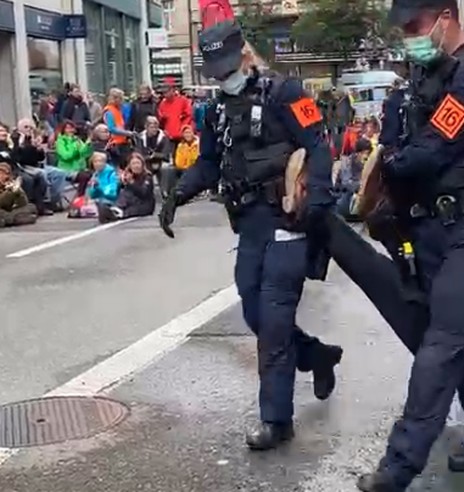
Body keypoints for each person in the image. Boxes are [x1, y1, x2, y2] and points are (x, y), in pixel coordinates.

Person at [158, 19, 343, 452]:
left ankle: (276, 420)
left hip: (288, 220)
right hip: (250, 224)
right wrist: (177, 194)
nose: (225, 77)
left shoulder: (286, 93)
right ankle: (316, 355)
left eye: (229, 66)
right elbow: (208, 163)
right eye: (216, 71)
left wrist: (317, 198)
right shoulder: (213, 110)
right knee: (255, 314)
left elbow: (318, 144)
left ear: (245, 54)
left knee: (275, 319)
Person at [354, 0, 464, 489]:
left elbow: (427, 151)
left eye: (415, 25)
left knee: (441, 343)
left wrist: (388, 169)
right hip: (427, 230)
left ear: (446, 16)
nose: (409, 35)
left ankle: (400, 463)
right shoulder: (419, 80)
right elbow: (390, 144)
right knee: (457, 335)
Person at [100, 152, 155, 222]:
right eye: (133, 164)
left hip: (144, 204)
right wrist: (120, 182)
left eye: (138, 163)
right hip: (129, 202)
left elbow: (143, 193)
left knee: (129, 206)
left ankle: (117, 212)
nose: (136, 166)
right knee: (123, 192)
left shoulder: (147, 176)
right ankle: (114, 210)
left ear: (142, 164)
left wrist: (131, 183)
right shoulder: (128, 175)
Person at [0, 159, 38, 227]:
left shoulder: (8, 184)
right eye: (1, 174)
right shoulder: (9, 190)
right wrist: (9, 192)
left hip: (9, 210)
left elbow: (23, 203)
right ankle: (13, 219)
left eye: (7, 173)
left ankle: (11, 219)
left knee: (31, 207)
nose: (4, 176)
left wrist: (19, 192)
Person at [103, 88, 135, 167]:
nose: (122, 101)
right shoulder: (109, 111)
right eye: (120, 98)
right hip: (114, 144)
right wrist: (127, 133)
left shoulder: (117, 110)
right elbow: (111, 128)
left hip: (121, 142)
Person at [165, 125, 198, 196]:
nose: (187, 135)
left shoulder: (198, 144)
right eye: (185, 133)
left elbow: (195, 159)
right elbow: (178, 162)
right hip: (183, 168)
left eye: (189, 132)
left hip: (196, 168)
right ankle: (171, 193)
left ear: (193, 133)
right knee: (171, 170)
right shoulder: (181, 146)